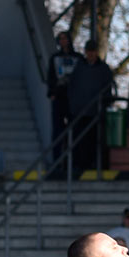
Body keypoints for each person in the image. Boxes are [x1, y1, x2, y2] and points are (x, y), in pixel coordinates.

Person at [67, 40, 114, 172]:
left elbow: (107, 90)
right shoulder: (79, 68)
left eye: (93, 51)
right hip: (80, 111)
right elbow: (72, 88)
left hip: (96, 112)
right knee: (80, 140)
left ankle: (93, 164)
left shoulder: (103, 69)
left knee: (94, 140)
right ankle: (80, 164)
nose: (91, 54)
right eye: (89, 51)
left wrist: (104, 106)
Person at [46, 32, 81, 162]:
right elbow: (50, 77)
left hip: (73, 98)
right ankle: (57, 159)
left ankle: (75, 159)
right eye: (60, 39)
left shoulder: (78, 58)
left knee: (75, 129)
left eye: (65, 38)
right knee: (57, 129)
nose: (63, 41)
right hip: (59, 97)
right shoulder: (55, 58)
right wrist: (52, 93)